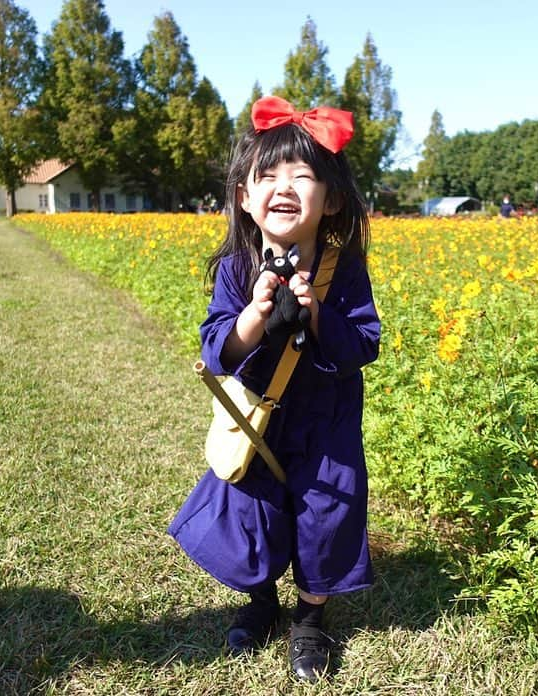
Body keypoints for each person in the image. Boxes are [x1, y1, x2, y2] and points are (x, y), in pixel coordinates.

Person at [168, 95, 379, 683]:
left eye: (302, 175)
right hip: (258, 417)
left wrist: (316, 314)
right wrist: (253, 315)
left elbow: (365, 343)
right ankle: (260, 602)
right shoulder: (238, 265)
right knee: (251, 512)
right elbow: (218, 349)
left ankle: (310, 620)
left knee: (326, 515)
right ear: (243, 196)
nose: (282, 186)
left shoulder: (345, 267)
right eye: (266, 175)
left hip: (327, 423)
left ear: (331, 199)